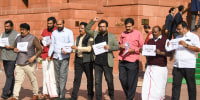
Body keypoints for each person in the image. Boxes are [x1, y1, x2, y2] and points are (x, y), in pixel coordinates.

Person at [85, 17, 119, 100]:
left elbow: (117, 46)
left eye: (103, 26)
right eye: (100, 26)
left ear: (107, 27)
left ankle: (111, 96)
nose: (101, 28)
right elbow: (86, 29)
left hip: (107, 62)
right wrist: (93, 21)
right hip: (97, 63)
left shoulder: (112, 36)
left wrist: (109, 47)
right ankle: (98, 98)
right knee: (97, 82)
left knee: (109, 81)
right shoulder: (96, 34)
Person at [166, 21, 200, 100]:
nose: (177, 31)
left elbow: (198, 49)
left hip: (189, 65)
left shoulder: (193, 36)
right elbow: (175, 49)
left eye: (179, 29)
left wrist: (186, 45)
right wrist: (170, 46)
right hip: (177, 65)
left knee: (191, 86)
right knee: (175, 86)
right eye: (177, 29)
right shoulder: (177, 37)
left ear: (185, 28)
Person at [10, 23, 42, 100]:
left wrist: (34, 57)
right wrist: (14, 49)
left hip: (29, 63)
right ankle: (15, 96)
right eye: (21, 29)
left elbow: (40, 49)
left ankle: (35, 94)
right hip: (19, 63)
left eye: (23, 30)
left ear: (28, 30)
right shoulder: (18, 38)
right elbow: (14, 48)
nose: (21, 31)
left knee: (32, 79)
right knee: (18, 80)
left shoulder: (33, 38)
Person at [47, 19, 74, 100]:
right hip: (56, 57)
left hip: (64, 57)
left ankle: (62, 95)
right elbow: (52, 44)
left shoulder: (69, 32)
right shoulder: (54, 33)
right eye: (58, 25)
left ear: (63, 24)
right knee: (57, 76)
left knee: (63, 75)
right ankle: (58, 94)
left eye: (60, 24)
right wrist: (49, 55)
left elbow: (71, 43)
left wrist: (68, 51)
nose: (59, 26)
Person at [118, 18, 143, 100]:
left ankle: (129, 98)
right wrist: (120, 46)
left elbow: (142, 47)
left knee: (132, 82)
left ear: (133, 25)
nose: (127, 28)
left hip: (132, 60)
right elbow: (119, 44)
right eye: (126, 27)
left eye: (129, 26)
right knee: (122, 79)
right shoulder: (123, 33)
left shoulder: (138, 34)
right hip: (122, 59)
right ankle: (129, 95)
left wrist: (134, 50)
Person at [68, 22, 94, 100]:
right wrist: (67, 50)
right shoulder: (78, 38)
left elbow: (89, 49)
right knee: (77, 79)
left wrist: (77, 48)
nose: (80, 29)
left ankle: (90, 95)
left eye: (82, 28)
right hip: (78, 61)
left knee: (89, 79)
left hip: (87, 61)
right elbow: (74, 49)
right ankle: (74, 96)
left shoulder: (90, 37)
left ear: (86, 29)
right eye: (79, 28)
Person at [142, 26, 168, 100]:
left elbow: (170, 54)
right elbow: (147, 52)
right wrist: (143, 51)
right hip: (151, 66)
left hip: (161, 67)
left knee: (159, 87)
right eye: (153, 32)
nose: (154, 33)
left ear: (160, 32)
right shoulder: (150, 41)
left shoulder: (165, 40)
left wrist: (161, 53)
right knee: (148, 86)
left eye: (155, 32)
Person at [39, 17, 58, 99]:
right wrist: (41, 40)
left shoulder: (57, 31)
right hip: (44, 55)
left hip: (53, 56)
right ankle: (45, 92)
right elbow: (43, 43)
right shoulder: (44, 31)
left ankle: (53, 93)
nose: (49, 25)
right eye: (48, 23)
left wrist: (52, 44)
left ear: (54, 24)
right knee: (45, 74)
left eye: (50, 23)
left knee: (51, 75)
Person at [0, 20, 19, 99]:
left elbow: (18, 46)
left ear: (12, 26)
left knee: (9, 75)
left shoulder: (16, 35)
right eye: (5, 26)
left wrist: (10, 47)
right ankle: (12, 91)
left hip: (12, 58)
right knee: (9, 75)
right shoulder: (2, 34)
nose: (6, 28)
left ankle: (5, 92)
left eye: (7, 26)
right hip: (4, 57)